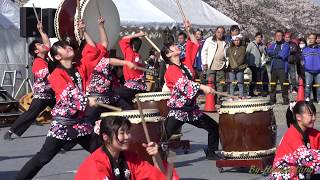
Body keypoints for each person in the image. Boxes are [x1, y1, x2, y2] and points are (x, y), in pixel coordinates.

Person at [15, 19, 103, 180]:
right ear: (57, 56)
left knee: (102, 151)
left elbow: (94, 51)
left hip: (80, 123)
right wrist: (87, 100)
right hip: (63, 125)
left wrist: (84, 31)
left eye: (67, 45)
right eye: (63, 47)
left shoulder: (79, 67)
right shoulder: (56, 74)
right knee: (43, 158)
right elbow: (68, 94)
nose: (68, 46)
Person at [161, 20, 220, 160]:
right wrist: (203, 87)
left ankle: (211, 153)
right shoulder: (171, 71)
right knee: (162, 136)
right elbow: (184, 85)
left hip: (192, 110)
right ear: (168, 55)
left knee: (213, 127)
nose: (177, 46)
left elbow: (194, 44)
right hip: (179, 111)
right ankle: (154, 160)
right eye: (173, 46)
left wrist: (189, 30)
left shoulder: (185, 64)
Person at [75, 116, 179, 180]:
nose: (127, 137)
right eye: (122, 133)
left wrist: (156, 158)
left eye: (128, 132)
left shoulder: (130, 158)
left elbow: (158, 178)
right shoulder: (97, 164)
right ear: (106, 137)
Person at [3, 21, 56, 140]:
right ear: (36, 52)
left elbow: (47, 43)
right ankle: (11, 131)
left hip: (50, 94)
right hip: (41, 95)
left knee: (62, 111)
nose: (42, 45)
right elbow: (49, 77)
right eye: (39, 45)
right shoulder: (37, 62)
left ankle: (63, 134)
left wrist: (41, 31)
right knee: (30, 114)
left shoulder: (45, 57)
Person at [84, 17, 134, 126]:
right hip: (97, 97)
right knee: (88, 122)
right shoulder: (92, 62)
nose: (99, 49)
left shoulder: (98, 56)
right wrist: (125, 63)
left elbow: (104, 43)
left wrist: (101, 26)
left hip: (108, 94)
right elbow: (109, 60)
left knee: (129, 111)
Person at [270, 101, 320, 179]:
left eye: (314, 114)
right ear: (298, 117)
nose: (314, 118)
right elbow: (306, 158)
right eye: (310, 115)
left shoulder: (312, 133)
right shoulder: (292, 134)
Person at [116, 31, 147, 104]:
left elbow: (123, 39)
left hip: (132, 86)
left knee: (113, 94)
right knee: (123, 100)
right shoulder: (140, 58)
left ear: (131, 45)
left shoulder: (129, 52)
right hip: (140, 87)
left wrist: (138, 34)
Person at [201, 26, 228, 103]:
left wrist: (226, 64)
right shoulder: (209, 40)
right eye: (218, 32)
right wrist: (204, 63)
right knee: (210, 84)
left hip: (221, 66)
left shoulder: (226, 42)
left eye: (222, 32)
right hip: (211, 66)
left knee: (220, 84)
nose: (220, 34)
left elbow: (227, 55)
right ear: (215, 32)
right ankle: (210, 100)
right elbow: (204, 51)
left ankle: (219, 99)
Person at [266, 30, 290, 105]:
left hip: (282, 68)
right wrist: (276, 53)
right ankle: (272, 100)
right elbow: (268, 51)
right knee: (273, 85)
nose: (278, 37)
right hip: (273, 68)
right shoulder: (273, 44)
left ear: (282, 36)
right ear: (275, 37)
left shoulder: (286, 45)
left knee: (284, 86)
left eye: (280, 35)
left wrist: (274, 54)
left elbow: (283, 55)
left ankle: (286, 100)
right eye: (277, 35)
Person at [246, 32, 268, 97]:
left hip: (259, 65)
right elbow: (247, 53)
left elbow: (265, 54)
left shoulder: (262, 45)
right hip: (251, 65)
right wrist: (247, 63)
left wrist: (265, 60)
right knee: (253, 79)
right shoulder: (251, 44)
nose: (259, 39)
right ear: (255, 37)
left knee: (257, 79)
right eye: (258, 37)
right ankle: (251, 92)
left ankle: (256, 91)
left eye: (260, 37)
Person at [303, 33, 320, 103]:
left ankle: (319, 99)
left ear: (316, 39)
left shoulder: (319, 49)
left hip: (318, 71)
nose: (311, 39)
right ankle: (307, 98)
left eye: (312, 38)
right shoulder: (305, 49)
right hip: (308, 71)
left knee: (319, 86)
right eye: (310, 38)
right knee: (307, 86)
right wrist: (304, 66)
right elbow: (302, 60)